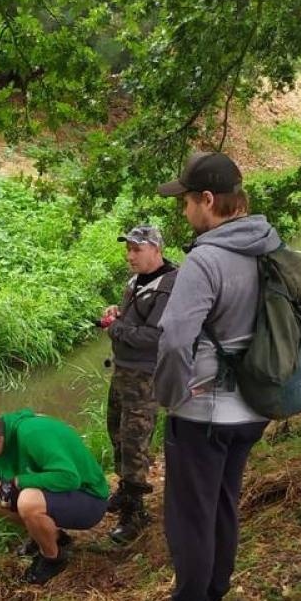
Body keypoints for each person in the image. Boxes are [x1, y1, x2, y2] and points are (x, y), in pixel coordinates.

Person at [144, 151, 276, 601]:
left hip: (203, 411)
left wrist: (170, 399)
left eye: (185, 202)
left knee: (190, 516)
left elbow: (176, 339)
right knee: (223, 501)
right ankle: (214, 592)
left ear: (207, 200)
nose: (183, 212)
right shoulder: (268, 247)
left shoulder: (206, 259)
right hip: (253, 407)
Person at [0, 408, 111, 584]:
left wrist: (19, 481)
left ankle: (53, 558)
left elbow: (69, 478)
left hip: (90, 499)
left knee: (28, 501)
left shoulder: (31, 434)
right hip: (61, 494)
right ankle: (55, 538)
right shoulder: (1, 449)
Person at [100, 225, 178, 544]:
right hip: (122, 371)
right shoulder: (134, 281)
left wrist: (116, 329)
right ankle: (126, 489)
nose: (130, 255)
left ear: (156, 250)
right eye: (128, 249)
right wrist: (116, 314)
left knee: (135, 441)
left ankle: (135, 513)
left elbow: (156, 337)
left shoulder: (171, 285)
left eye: (137, 249)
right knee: (116, 432)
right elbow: (133, 320)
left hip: (145, 377)